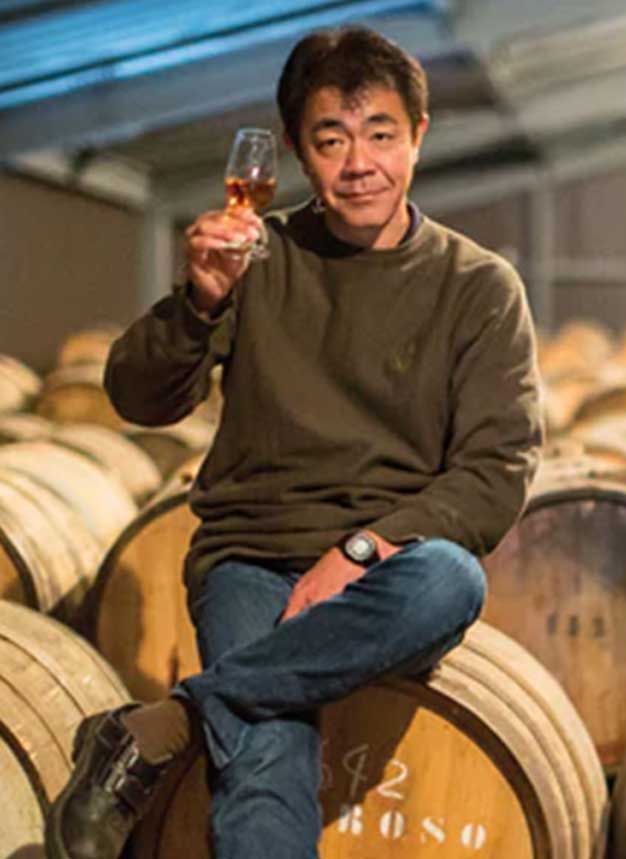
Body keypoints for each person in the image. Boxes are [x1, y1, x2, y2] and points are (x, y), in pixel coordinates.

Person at [45, 26, 543, 859]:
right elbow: (137, 395)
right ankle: (223, 708)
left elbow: (495, 476)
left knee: (452, 577)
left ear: (418, 136)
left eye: (381, 133)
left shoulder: (479, 287)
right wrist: (197, 302)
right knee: (267, 758)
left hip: (389, 568)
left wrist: (359, 550)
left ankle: (174, 717)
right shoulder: (258, 259)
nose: (360, 163)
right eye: (331, 138)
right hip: (251, 553)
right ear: (296, 153)